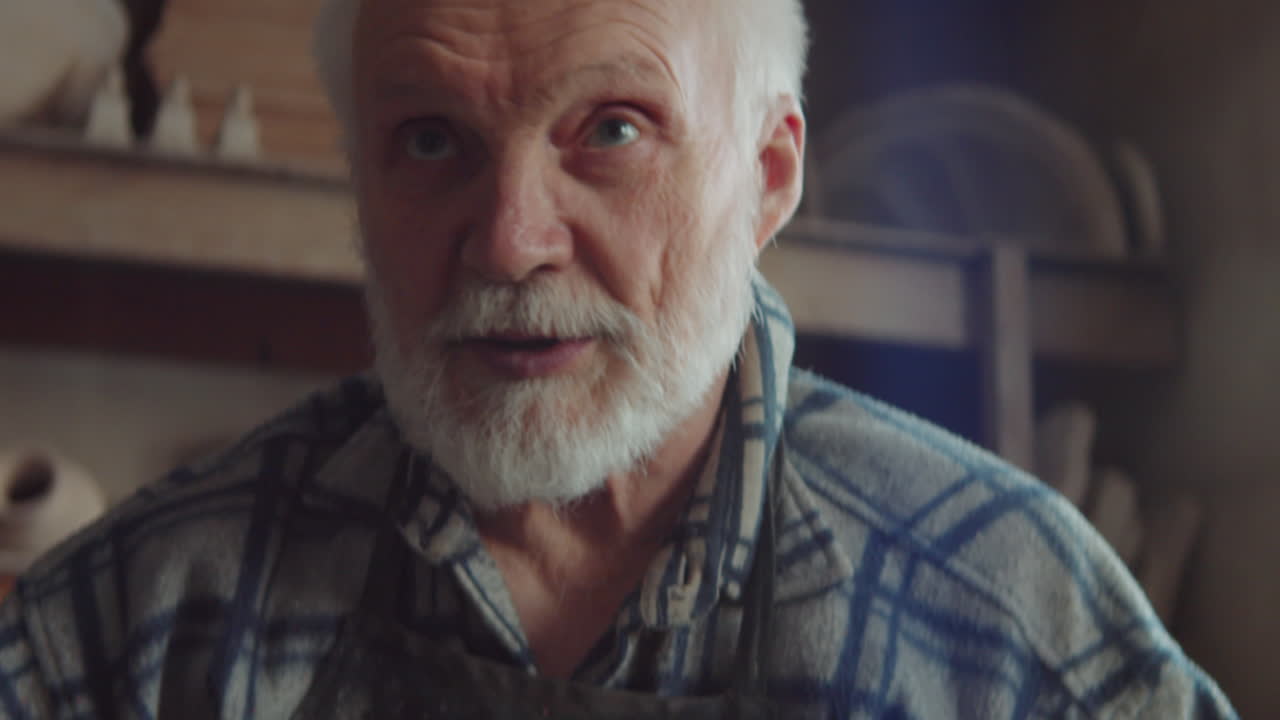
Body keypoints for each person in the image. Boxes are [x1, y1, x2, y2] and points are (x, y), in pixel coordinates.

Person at [0, 0, 1239, 717]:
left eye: (611, 130)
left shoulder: (1011, 626)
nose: (509, 241)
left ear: (766, 178)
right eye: (428, 139)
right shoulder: (138, 625)